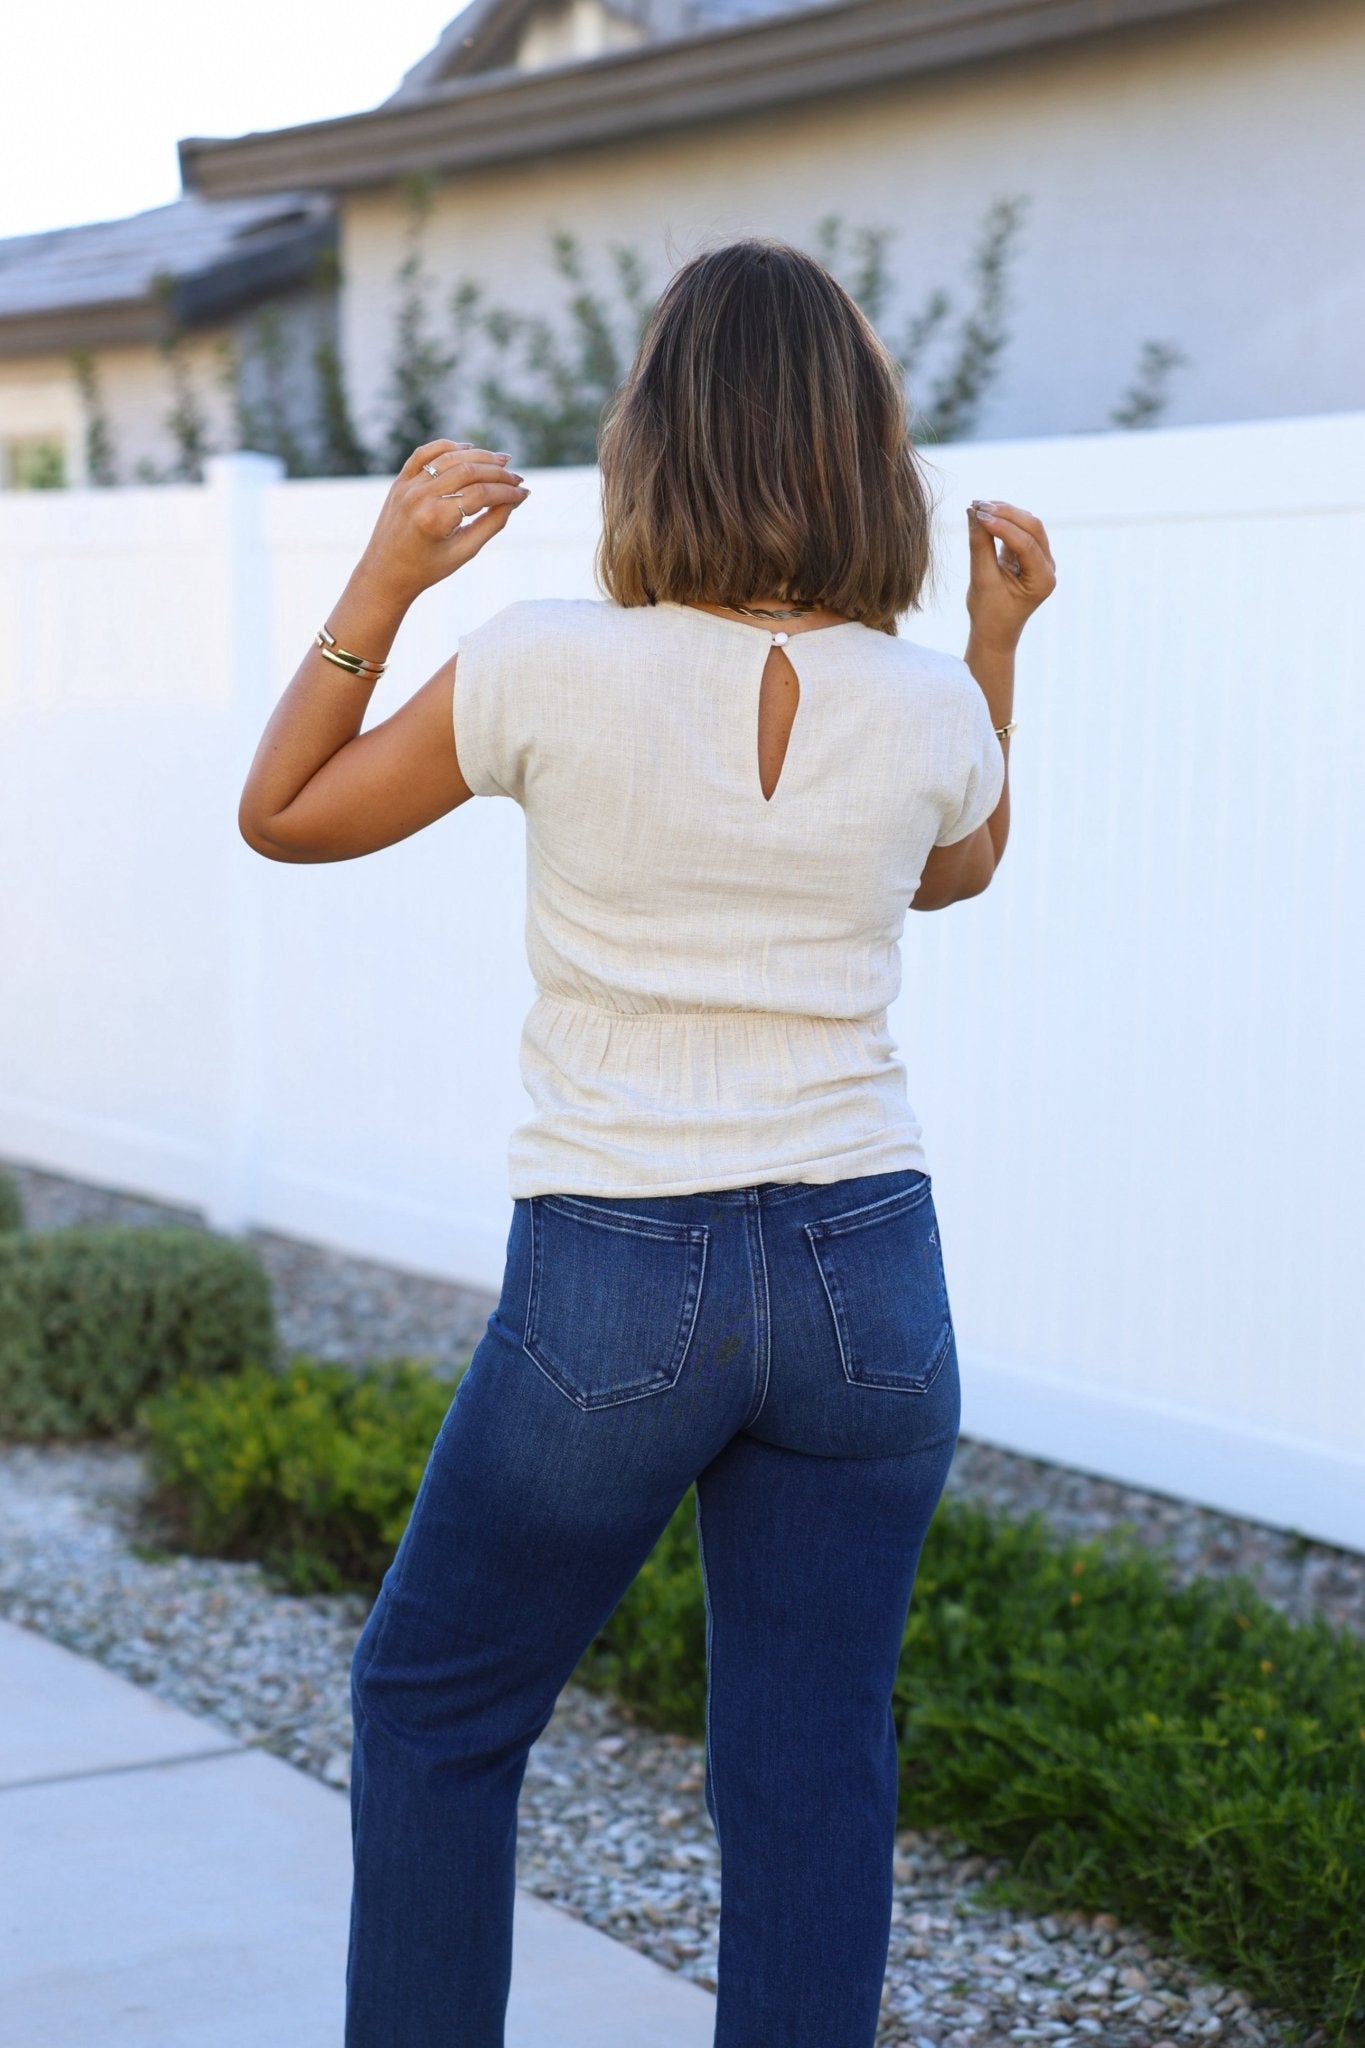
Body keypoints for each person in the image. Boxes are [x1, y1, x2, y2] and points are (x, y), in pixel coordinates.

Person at [238, 235, 1056, 2048]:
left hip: (621, 1273)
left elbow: (283, 812)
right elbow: (958, 862)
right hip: (870, 1282)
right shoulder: (925, 706)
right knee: (809, 1773)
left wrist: (380, 576)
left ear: (655, 441)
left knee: (437, 1707)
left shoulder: (545, 664)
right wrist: (995, 646)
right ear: (862, 450)